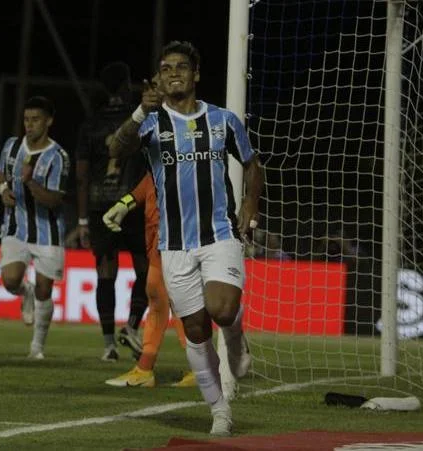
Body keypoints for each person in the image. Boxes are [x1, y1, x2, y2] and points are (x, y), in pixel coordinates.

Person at [109, 41, 263, 436]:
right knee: (195, 330)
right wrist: (142, 108)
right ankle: (219, 411)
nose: (173, 72)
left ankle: (236, 338)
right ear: (158, 79)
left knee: (223, 309)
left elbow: (251, 162)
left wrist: (250, 206)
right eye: (165, 68)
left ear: (195, 75)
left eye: (181, 67)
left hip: (219, 234)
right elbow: (116, 147)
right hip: (174, 245)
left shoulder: (222, 120)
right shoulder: (151, 123)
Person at [75, 61, 150, 362]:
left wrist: (81, 220)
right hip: (133, 203)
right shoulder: (140, 118)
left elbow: (81, 175)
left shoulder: (90, 124)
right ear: (127, 83)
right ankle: (132, 325)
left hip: (99, 204)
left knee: (106, 272)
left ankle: (108, 346)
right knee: (145, 269)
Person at [102, 172, 196, 388]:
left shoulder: (181, 150)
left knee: (178, 300)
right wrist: (124, 204)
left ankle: (202, 368)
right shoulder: (159, 158)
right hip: (158, 235)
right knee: (157, 296)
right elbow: (148, 183)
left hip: (179, 234)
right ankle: (146, 369)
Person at [0, 96, 69, 360]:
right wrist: (3, 189)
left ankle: (37, 348)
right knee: (10, 280)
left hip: (48, 232)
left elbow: (55, 200)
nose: (29, 125)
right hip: (15, 226)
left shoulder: (58, 157)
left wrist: (30, 183)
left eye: (36, 119)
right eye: (26, 119)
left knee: (45, 290)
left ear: (48, 121)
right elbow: (1, 174)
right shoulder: (12, 146)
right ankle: (24, 293)